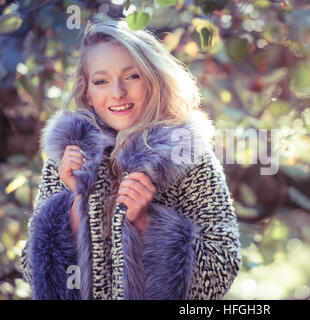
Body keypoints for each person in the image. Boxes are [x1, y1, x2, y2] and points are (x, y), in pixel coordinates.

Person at [20, 18, 241, 300]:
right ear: (87, 92)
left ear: (152, 79)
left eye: (131, 76)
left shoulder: (187, 155)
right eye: (101, 81)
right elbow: (32, 270)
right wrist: (75, 206)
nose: (117, 92)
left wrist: (148, 225)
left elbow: (221, 270)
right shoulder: (68, 156)